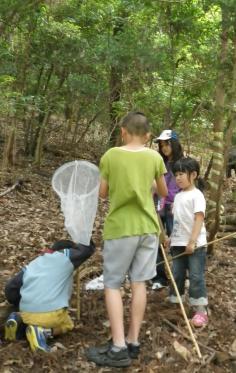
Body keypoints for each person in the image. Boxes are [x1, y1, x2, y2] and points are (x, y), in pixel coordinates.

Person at [86, 111, 168, 368]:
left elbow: (102, 193)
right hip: (148, 227)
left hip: (121, 227)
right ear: (147, 135)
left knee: (112, 284)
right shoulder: (155, 157)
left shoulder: (111, 155)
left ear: (123, 131)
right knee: (140, 283)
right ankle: (133, 341)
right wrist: (148, 187)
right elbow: (163, 192)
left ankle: (118, 347)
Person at [4, 239, 95, 352]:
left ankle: (17, 318)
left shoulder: (34, 263)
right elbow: (86, 251)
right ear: (66, 250)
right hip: (49, 313)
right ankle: (43, 332)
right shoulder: (65, 257)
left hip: (26, 312)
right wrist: (86, 236)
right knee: (68, 324)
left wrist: (18, 302)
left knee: (31, 317)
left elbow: (11, 287)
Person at [168, 157, 208, 327]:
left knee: (195, 276)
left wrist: (192, 241)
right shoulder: (177, 197)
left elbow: (198, 219)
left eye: (181, 174)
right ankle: (177, 303)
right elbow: (178, 221)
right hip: (177, 243)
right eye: (176, 174)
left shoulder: (197, 195)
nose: (178, 177)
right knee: (176, 273)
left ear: (193, 175)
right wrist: (171, 237)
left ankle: (200, 309)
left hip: (195, 244)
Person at [152, 129, 183, 290]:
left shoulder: (182, 163)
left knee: (177, 243)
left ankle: (179, 279)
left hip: (174, 210)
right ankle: (159, 277)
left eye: (167, 144)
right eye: (162, 145)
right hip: (159, 208)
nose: (164, 148)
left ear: (174, 144)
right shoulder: (159, 163)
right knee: (157, 243)